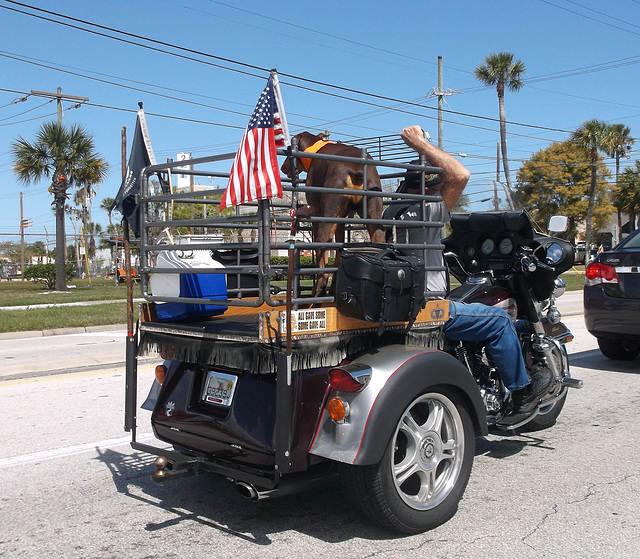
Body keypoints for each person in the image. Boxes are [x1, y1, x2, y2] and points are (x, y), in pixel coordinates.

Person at [397, 125, 552, 414]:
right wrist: (420, 144)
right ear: (427, 184)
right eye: (435, 181)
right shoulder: (425, 209)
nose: (441, 185)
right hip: (428, 308)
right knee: (499, 322)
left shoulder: (392, 211)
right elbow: (460, 174)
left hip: (404, 302)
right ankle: (521, 393)